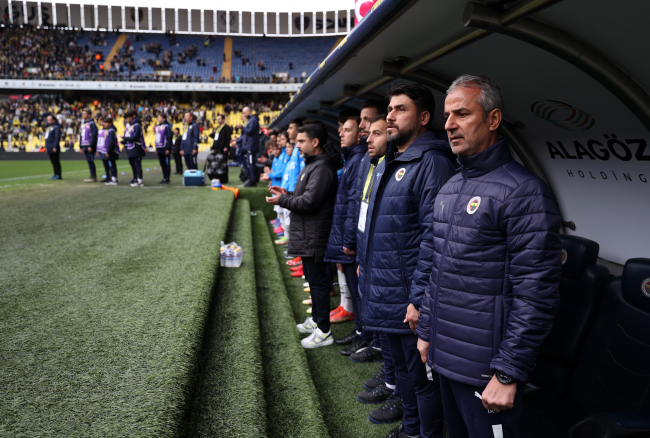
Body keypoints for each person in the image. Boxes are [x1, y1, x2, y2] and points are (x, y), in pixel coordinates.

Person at [416, 75, 562, 438]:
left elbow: (536, 294)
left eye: (462, 114)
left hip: (487, 373)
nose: (449, 125)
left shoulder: (524, 191)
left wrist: (508, 372)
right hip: (445, 359)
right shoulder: (450, 188)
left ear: (493, 119)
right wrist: (427, 332)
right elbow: (439, 271)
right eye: (447, 116)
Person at [359, 83, 456, 438]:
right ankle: (410, 429)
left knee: (422, 380)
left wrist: (418, 299)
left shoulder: (433, 162)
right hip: (388, 293)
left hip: (410, 300)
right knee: (402, 373)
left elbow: (435, 237)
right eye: (389, 109)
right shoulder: (392, 161)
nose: (390, 116)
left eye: (401, 109)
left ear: (424, 117)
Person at [266, 122, 341, 348]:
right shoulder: (313, 164)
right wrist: (287, 193)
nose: (297, 145)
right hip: (309, 234)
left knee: (319, 283)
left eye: (301, 141)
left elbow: (309, 202)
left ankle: (324, 332)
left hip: (315, 235)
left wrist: (282, 200)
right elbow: (307, 195)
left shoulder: (322, 167)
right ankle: (317, 321)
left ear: (315, 142)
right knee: (313, 280)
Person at [354, 114, 404, 424]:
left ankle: (397, 389)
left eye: (376, 132)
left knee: (398, 340)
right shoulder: (374, 164)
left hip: (391, 270)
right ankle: (391, 378)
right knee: (386, 331)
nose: (368, 137)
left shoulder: (399, 166)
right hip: (371, 257)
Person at [324, 116, 368, 330]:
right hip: (346, 235)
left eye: (347, 130)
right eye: (341, 129)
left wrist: (348, 240)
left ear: (359, 135)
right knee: (353, 287)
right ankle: (359, 331)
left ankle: (362, 333)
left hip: (350, 238)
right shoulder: (353, 158)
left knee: (357, 290)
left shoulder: (358, 160)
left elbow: (354, 204)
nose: (340, 133)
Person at [120, 110, 146, 187]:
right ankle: (135, 179)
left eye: (126, 118)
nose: (126, 120)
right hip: (130, 148)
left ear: (132, 117)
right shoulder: (129, 126)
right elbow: (128, 137)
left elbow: (135, 137)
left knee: (137, 164)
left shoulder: (137, 125)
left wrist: (125, 138)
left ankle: (140, 180)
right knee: (133, 164)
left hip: (137, 147)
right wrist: (123, 143)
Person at [235, 106, 260, 187]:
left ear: (249, 112)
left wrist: (242, 128)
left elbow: (250, 131)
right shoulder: (251, 120)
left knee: (250, 164)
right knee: (248, 164)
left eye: (244, 113)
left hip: (251, 146)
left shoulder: (253, 120)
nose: (244, 115)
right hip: (248, 146)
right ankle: (250, 179)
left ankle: (252, 180)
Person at [97, 116, 120, 186]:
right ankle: (112, 178)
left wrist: (108, 151)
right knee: (111, 165)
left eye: (105, 123)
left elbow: (111, 142)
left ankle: (114, 179)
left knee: (112, 165)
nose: (104, 124)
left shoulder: (111, 130)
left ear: (110, 123)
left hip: (111, 151)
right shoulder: (109, 130)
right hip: (109, 150)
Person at [79, 109, 98, 182]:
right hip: (84, 145)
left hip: (89, 145)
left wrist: (91, 145)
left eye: (84, 114)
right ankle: (92, 176)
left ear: (89, 115)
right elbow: (81, 135)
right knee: (88, 161)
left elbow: (94, 135)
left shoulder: (92, 124)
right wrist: (81, 146)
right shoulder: (83, 124)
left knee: (90, 160)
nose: (82, 115)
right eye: (82, 113)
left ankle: (93, 177)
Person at [154, 113, 173, 184]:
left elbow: (169, 137)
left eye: (159, 117)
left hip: (165, 148)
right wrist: (156, 148)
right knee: (162, 164)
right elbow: (157, 138)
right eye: (158, 117)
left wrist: (168, 148)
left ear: (164, 119)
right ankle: (164, 178)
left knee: (166, 164)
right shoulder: (157, 127)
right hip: (159, 148)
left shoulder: (166, 126)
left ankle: (167, 178)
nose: (158, 118)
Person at [44, 114, 62, 180]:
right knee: (53, 162)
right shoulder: (48, 128)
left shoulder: (56, 127)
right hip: (49, 147)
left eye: (49, 119)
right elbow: (47, 138)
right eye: (47, 119)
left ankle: (58, 175)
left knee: (56, 161)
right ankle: (55, 174)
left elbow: (57, 138)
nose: (48, 121)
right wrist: (46, 147)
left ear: (53, 120)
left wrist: (55, 146)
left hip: (54, 147)